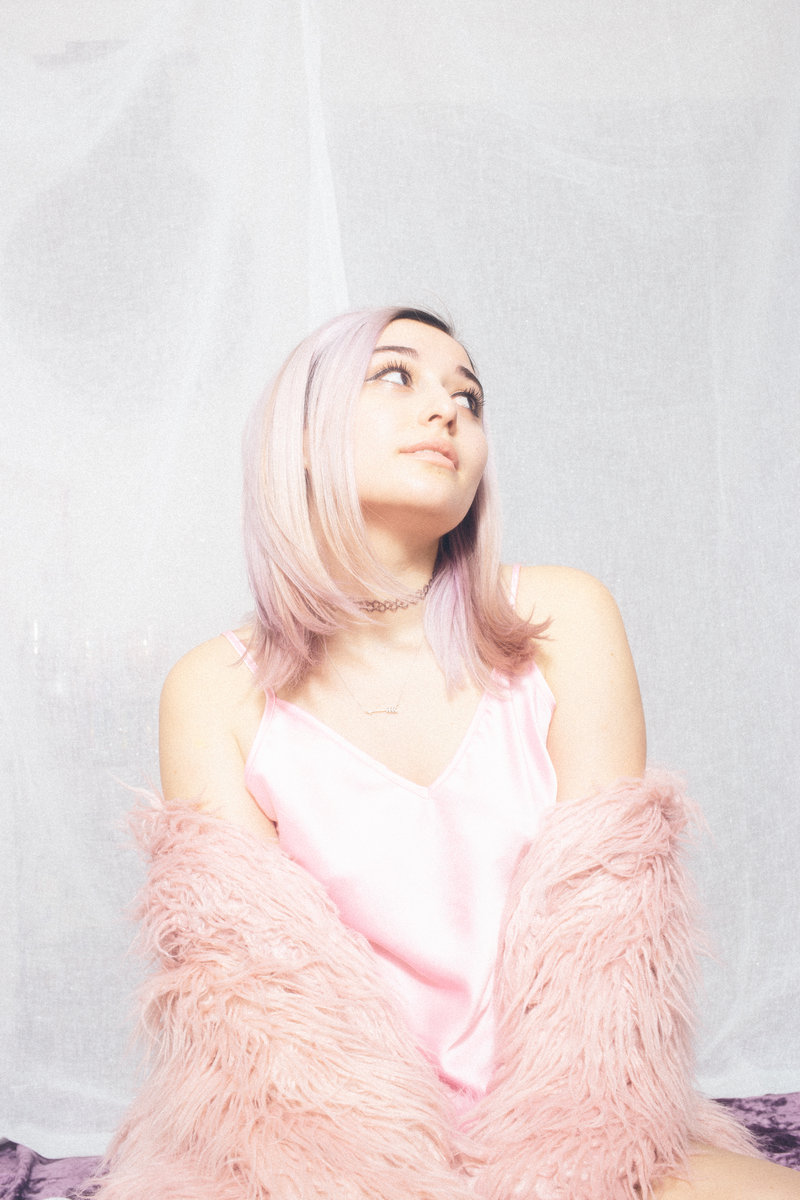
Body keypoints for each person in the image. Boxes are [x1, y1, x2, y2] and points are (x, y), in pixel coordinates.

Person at [94, 308, 800, 1199]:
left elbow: (606, 957)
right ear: (303, 440)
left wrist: (554, 1173)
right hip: (325, 1162)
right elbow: (258, 1019)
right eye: (396, 375)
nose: (447, 410)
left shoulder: (564, 618)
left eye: (469, 396)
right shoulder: (211, 690)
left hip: (574, 1134)